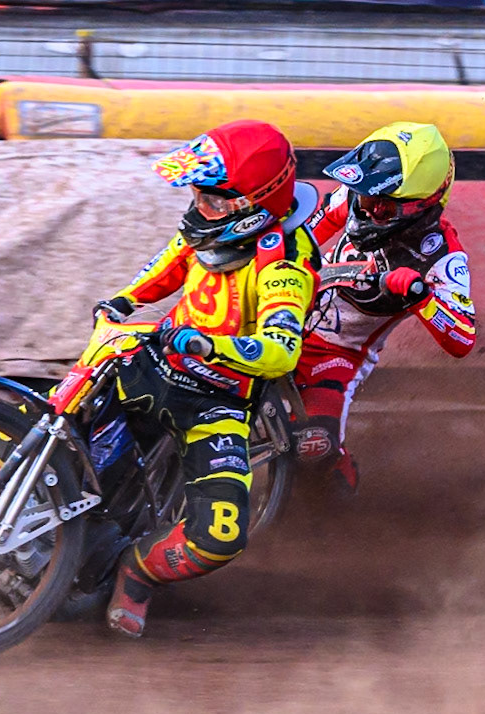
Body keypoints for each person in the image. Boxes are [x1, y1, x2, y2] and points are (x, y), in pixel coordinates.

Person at [90, 120, 321, 637]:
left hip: (216, 401)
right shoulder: (206, 226)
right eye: (197, 197)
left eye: (212, 201)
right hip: (152, 361)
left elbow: (281, 351)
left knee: (221, 534)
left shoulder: (286, 264)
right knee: (52, 417)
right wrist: (125, 300)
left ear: (252, 207)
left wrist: (207, 345)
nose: (198, 210)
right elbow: (171, 261)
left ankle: (136, 572)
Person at [294, 121, 477, 497]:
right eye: (366, 198)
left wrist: (419, 295)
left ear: (422, 206)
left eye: (385, 206)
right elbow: (302, 233)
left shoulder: (441, 255)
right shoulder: (352, 198)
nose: (370, 209)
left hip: (335, 356)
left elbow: (463, 339)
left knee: (313, 451)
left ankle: (333, 508)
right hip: (281, 313)